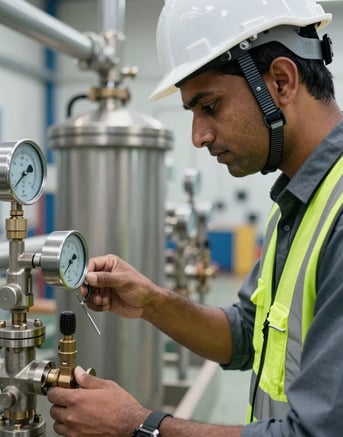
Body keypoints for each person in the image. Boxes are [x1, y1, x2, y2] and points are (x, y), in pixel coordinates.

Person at [47, 0, 343, 435]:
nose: (199, 136)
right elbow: (245, 336)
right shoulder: (299, 202)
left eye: (209, 106)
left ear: (281, 80)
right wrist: (151, 301)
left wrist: (139, 425)